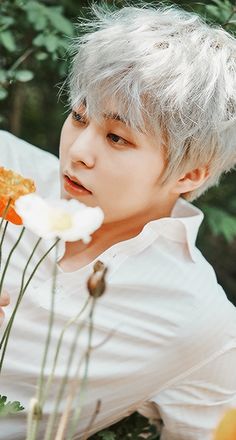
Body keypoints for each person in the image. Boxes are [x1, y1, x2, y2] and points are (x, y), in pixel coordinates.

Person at [0, 3, 236, 439]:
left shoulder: (196, 317)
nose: (78, 151)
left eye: (116, 137)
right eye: (79, 116)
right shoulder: (7, 167)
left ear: (190, 173)